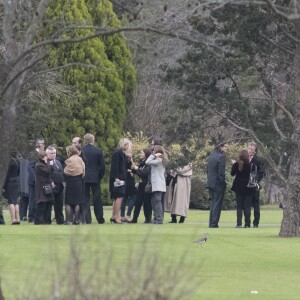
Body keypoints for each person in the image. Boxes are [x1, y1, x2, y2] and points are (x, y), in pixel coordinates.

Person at [82, 133, 105, 224]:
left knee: (86, 198)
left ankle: (88, 219)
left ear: (85, 140)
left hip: (85, 177)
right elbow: (102, 166)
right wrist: (100, 176)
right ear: (93, 140)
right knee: (97, 198)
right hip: (95, 177)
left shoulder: (82, 151)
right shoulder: (98, 151)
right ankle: (100, 218)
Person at [109, 138, 133, 224]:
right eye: (126, 144)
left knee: (117, 197)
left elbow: (124, 166)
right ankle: (116, 216)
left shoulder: (122, 154)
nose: (127, 146)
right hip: (118, 179)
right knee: (119, 197)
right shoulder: (118, 153)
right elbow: (115, 166)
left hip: (121, 178)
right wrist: (116, 177)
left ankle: (114, 216)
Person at [231, 150, 256, 228]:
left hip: (238, 187)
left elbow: (232, 174)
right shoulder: (251, 165)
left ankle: (239, 224)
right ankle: (247, 224)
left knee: (239, 207)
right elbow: (254, 175)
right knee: (247, 207)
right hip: (248, 187)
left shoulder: (236, 164)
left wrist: (233, 165)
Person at [207, 142, 228, 228]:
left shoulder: (211, 156)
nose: (227, 149)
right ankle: (214, 223)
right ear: (220, 147)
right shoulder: (221, 157)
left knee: (213, 203)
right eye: (225, 147)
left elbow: (207, 170)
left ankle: (211, 222)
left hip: (211, 182)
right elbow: (221, 173)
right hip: (218, 183)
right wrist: (222, 183)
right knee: (217, 204)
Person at [145, 145, 168, 224]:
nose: (152, 151)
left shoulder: (159, 160)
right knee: (154, 201)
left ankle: (159, 219)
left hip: (158, 184)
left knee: (157, 202)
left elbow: (147, 162)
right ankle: (156, 218)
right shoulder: (159, 160)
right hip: (157, 184)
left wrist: (153, 155)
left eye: (153, 150)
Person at [64, 145, 85, 225]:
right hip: (78, 182)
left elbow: (65, 171)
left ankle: (68, 220)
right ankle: (76, 220)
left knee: (68, 202)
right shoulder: (80, 159)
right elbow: (83, 170)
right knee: (77, 202)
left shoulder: (68, 160)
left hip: (70, 182)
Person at [129, 148, 152, 224]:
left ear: (146, 155)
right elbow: (138, 172)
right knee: (138, 202)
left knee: (146, 203)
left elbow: (144, 174)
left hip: (146, 185)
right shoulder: (141, 163)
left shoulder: (148, 164)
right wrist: (132, 169)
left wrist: (137, 169)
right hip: (141, 185)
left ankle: (148, 219)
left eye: (142, 153)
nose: (140, 154)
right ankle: (134, 219)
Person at [248, 142, 265, 228]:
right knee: (246, 205)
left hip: (254, 185)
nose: (250, 151)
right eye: (249, 149)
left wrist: (256, 180)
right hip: (246, 186)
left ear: (255, 151)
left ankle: (256, 223)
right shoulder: (244, 159)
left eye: (252, 150)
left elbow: (262, 172)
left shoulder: (258, 160)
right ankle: (247, 223)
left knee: (255, 205)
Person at [34, 150, 54, 225]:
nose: (46, 157)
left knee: (48, 203)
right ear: (42, 157)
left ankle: (47, 220)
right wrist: (49, 164)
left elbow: (51, 171)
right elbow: (47, 171)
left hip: (47, 186)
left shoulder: (44, 164)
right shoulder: (39, 165)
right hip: (41, 187)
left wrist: (49, 164)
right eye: (45, 156)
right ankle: (39, 221)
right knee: (42, 204)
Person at [46, 145, 64, 224]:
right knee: (49, 204)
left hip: (60, 187)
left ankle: (60, 220)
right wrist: (51, 181)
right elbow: (47, 174)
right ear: (47, 154)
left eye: (54, 153)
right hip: (51, 186)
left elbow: (61, 173)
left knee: (59, 205)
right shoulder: (46, 162)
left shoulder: (58, 161)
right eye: (51, 153)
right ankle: (47, 220)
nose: (53, 155)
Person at [2, 151, 21, 225]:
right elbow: (18, 173)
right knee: (15, 201)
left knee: (11, 201)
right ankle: (18, 218)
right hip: (16, 182)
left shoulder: (9, 162)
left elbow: (6, 175)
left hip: (10, 183)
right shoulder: (18, 161)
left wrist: (3, 186)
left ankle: (13, 219)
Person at [120, 156, 136, 222]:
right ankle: (127, 215)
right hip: (129, 180)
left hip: (126, 180)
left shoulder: (127, 159)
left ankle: (122, 215)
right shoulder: (127, 159)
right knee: (133, 197)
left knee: (124, 198)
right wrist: (130, 171)